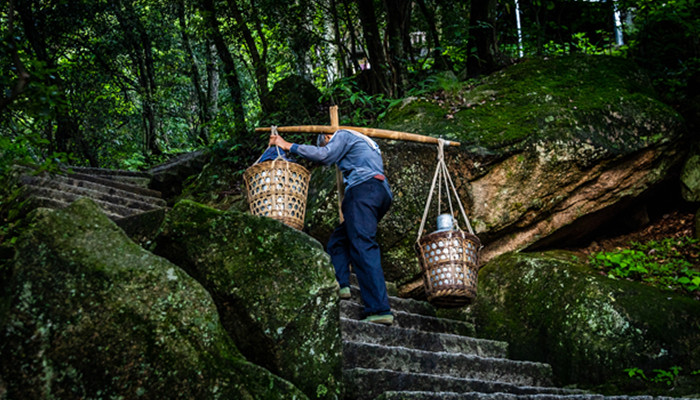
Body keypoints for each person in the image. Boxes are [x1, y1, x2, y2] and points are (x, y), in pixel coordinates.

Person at [269, 129, 394, 325]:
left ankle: (380, 308)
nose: (327, 146)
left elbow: (325, 155)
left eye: (326, 143)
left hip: (363, 189)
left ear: (327, 137)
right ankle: (341, 283)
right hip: (380, 193)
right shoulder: (366, 142)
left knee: (362, 245)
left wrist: (287, 145)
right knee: (339, 240)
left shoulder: (342, 135)